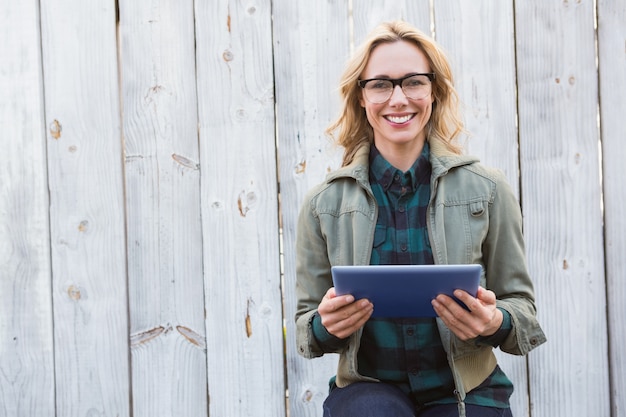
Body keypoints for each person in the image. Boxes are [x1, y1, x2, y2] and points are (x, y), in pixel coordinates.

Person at [294, 20, 546, 417]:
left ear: (434, 91)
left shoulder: (488, 189)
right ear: (361, 97)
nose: (398, 98)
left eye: (413, 81)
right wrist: (326, 324)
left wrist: (493, 321)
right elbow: (306, 327)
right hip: (368, 389)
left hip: (468, 391)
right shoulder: (323, 204)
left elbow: (523, 310)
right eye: (380, 84)